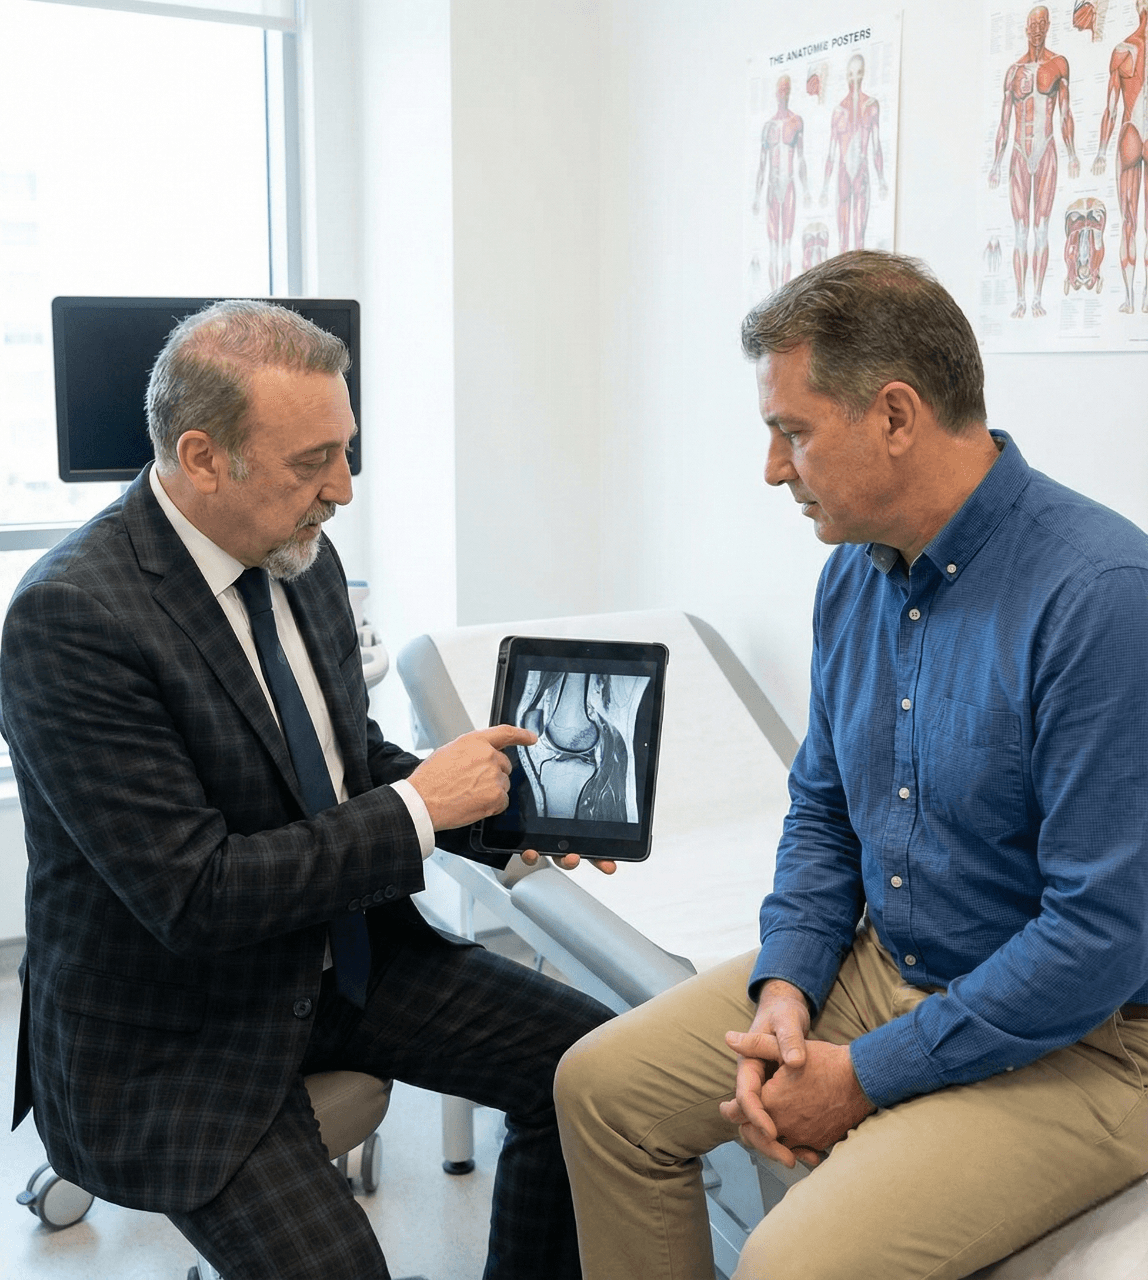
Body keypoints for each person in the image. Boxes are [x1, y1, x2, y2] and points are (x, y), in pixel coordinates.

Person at [554, 251, 1148, 1280]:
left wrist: (863, 1075)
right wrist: (787, 982)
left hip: (1088, 1037)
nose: (773, 469)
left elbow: (1100, 934)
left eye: (791, 432)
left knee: (791, 1261)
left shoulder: (1098, 597)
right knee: (601, 1087)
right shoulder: (851, 577)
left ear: (893, 414)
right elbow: (823, 810)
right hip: (886, 962)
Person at [0, 299, 614, 1280]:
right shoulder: (71, 618)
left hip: (344, 964)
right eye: (308, 462)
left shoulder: (300, 557)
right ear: (203, 457)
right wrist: (422, 807)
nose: (339, 488)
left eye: (346, 450)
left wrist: (490, 809)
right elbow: (194, 895)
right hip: (177, 1033)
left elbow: (337, 759)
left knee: (598, 1077)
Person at [988, 6, 1080, 319]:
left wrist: (1072, 153)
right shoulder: (1013, 72)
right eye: (1033, 24)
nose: (1038, 28)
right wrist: (996, 163)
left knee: (1040, 229)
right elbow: (1004, 121)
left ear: (1049, 26)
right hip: (1018, 152)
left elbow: (1066, 114)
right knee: (1019, 230)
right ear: (1027, 29)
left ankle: (1037, 298)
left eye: (1042, 22)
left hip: (1046, 151)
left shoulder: (1058, 65)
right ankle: (1018, 300)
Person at [1091, 0, 1147, 314]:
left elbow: (1111, 108)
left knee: (1129, 221)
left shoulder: (1124, 49)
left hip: (1129, 130)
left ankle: (1129, 299)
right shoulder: (1122, 49)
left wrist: (1101, 150)